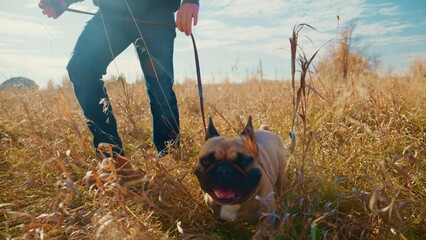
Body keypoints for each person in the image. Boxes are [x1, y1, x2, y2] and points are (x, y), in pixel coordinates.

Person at [39, 0, 200, 172]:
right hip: (111, 12)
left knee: (161, 88)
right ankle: (113, 160)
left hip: (156, 11)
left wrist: (191, 1)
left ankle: (170, 161)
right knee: (81, 68)